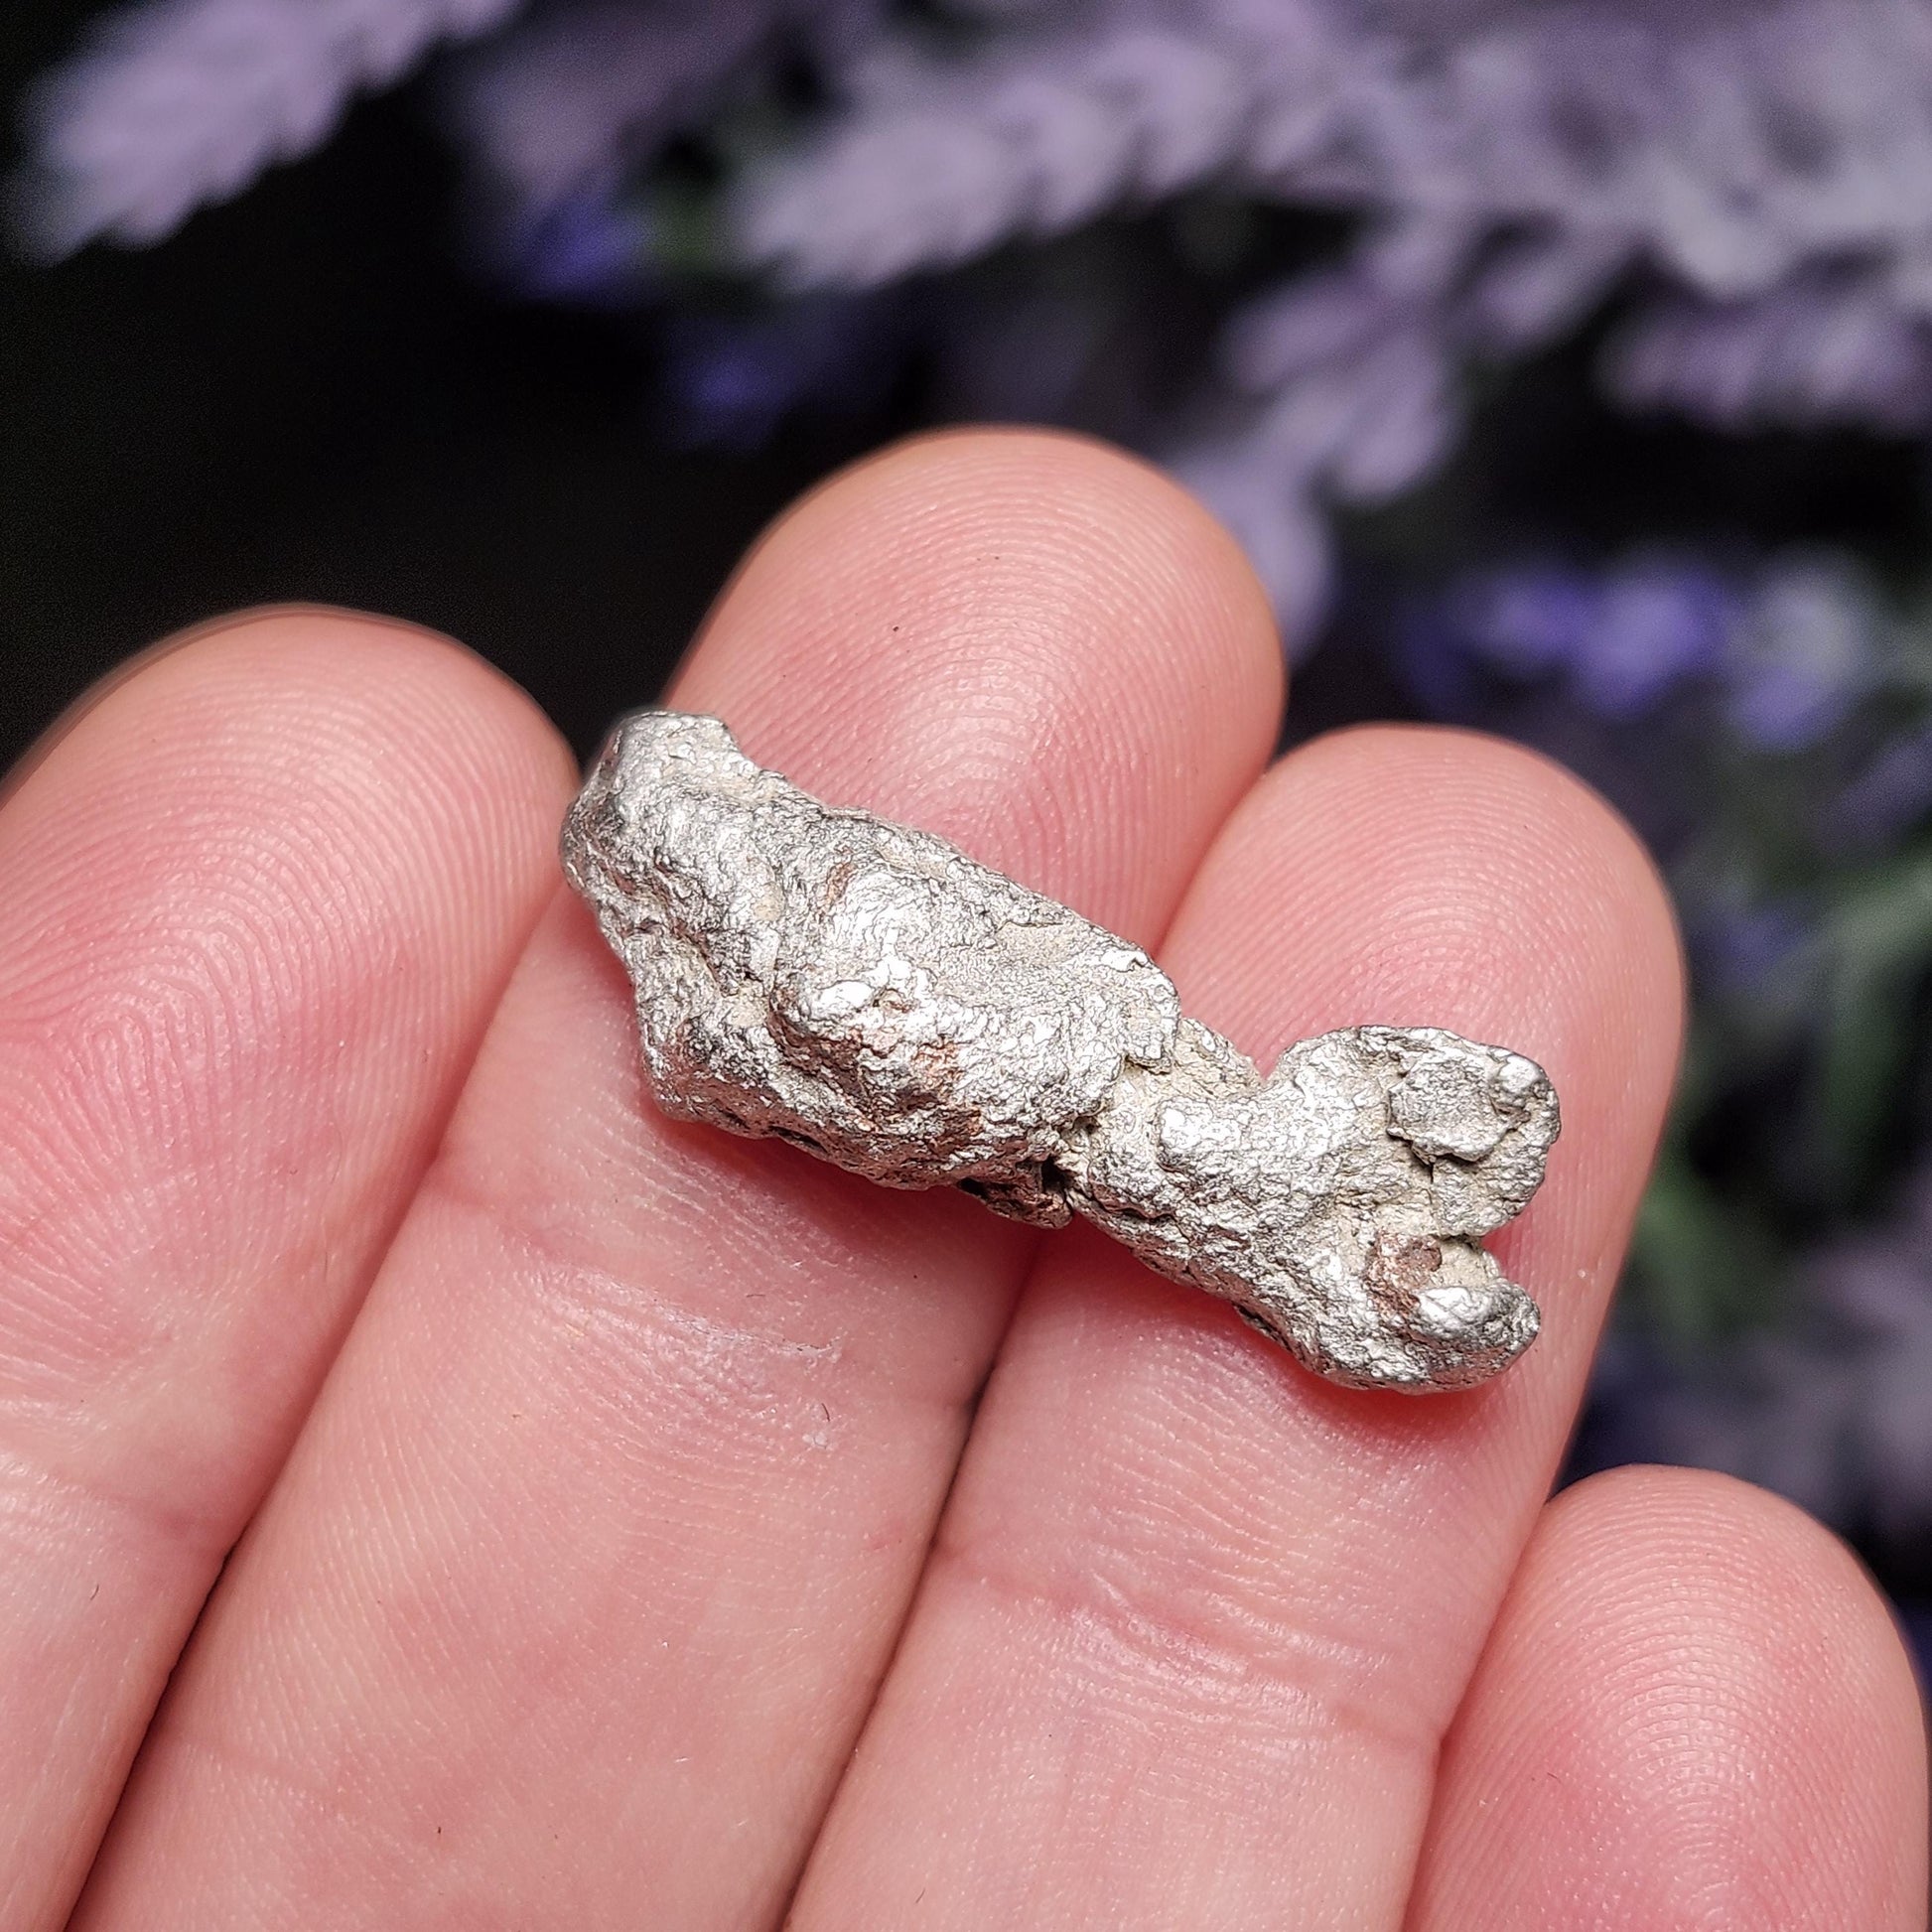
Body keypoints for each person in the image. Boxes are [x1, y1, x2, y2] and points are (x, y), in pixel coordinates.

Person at [1, 431, 1922, 1930]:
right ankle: (1334, 1225)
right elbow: (752, 1072)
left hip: (1096, 1080)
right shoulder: (698, 994)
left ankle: (1337, 1211)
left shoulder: (760, 915)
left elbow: (899, 988)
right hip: (1065, 1112)